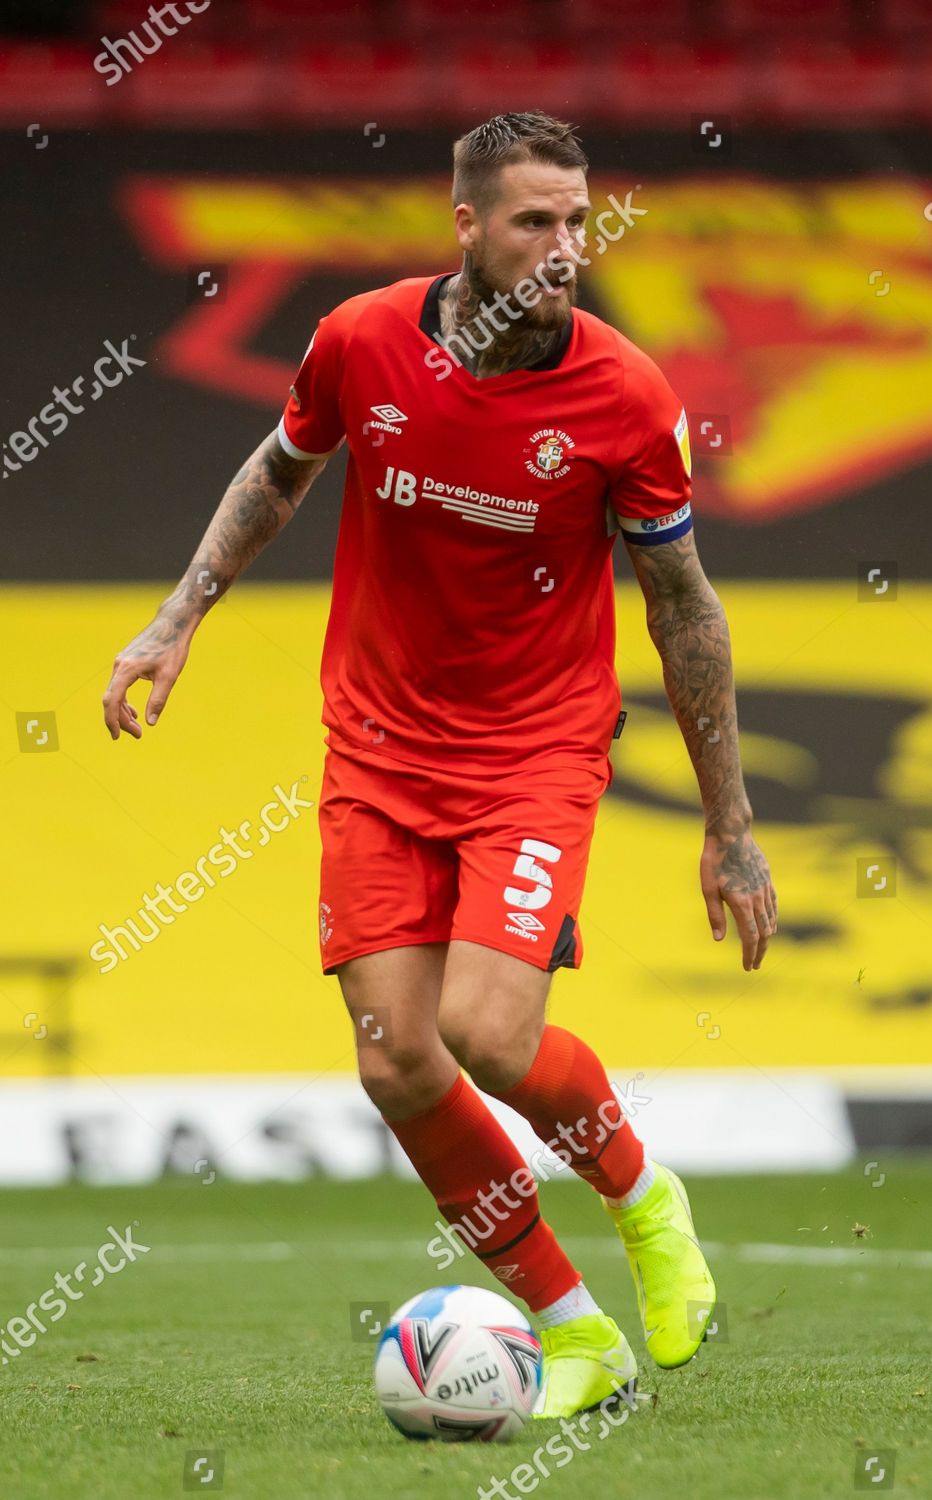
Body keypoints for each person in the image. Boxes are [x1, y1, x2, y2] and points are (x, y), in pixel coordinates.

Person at [103, 111, 777, 1420]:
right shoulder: (360, 340)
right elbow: (281, 469)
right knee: (396, 1061)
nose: (565, 247)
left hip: (535, 748)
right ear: (466, 224)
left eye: (577, 220)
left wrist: (731, 825)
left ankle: (645, 1199)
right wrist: (179, 618)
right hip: (376, 743)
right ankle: (574, 1332)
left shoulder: (626, 395)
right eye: (535, 222)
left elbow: (684, 607)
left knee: (487, 1030)